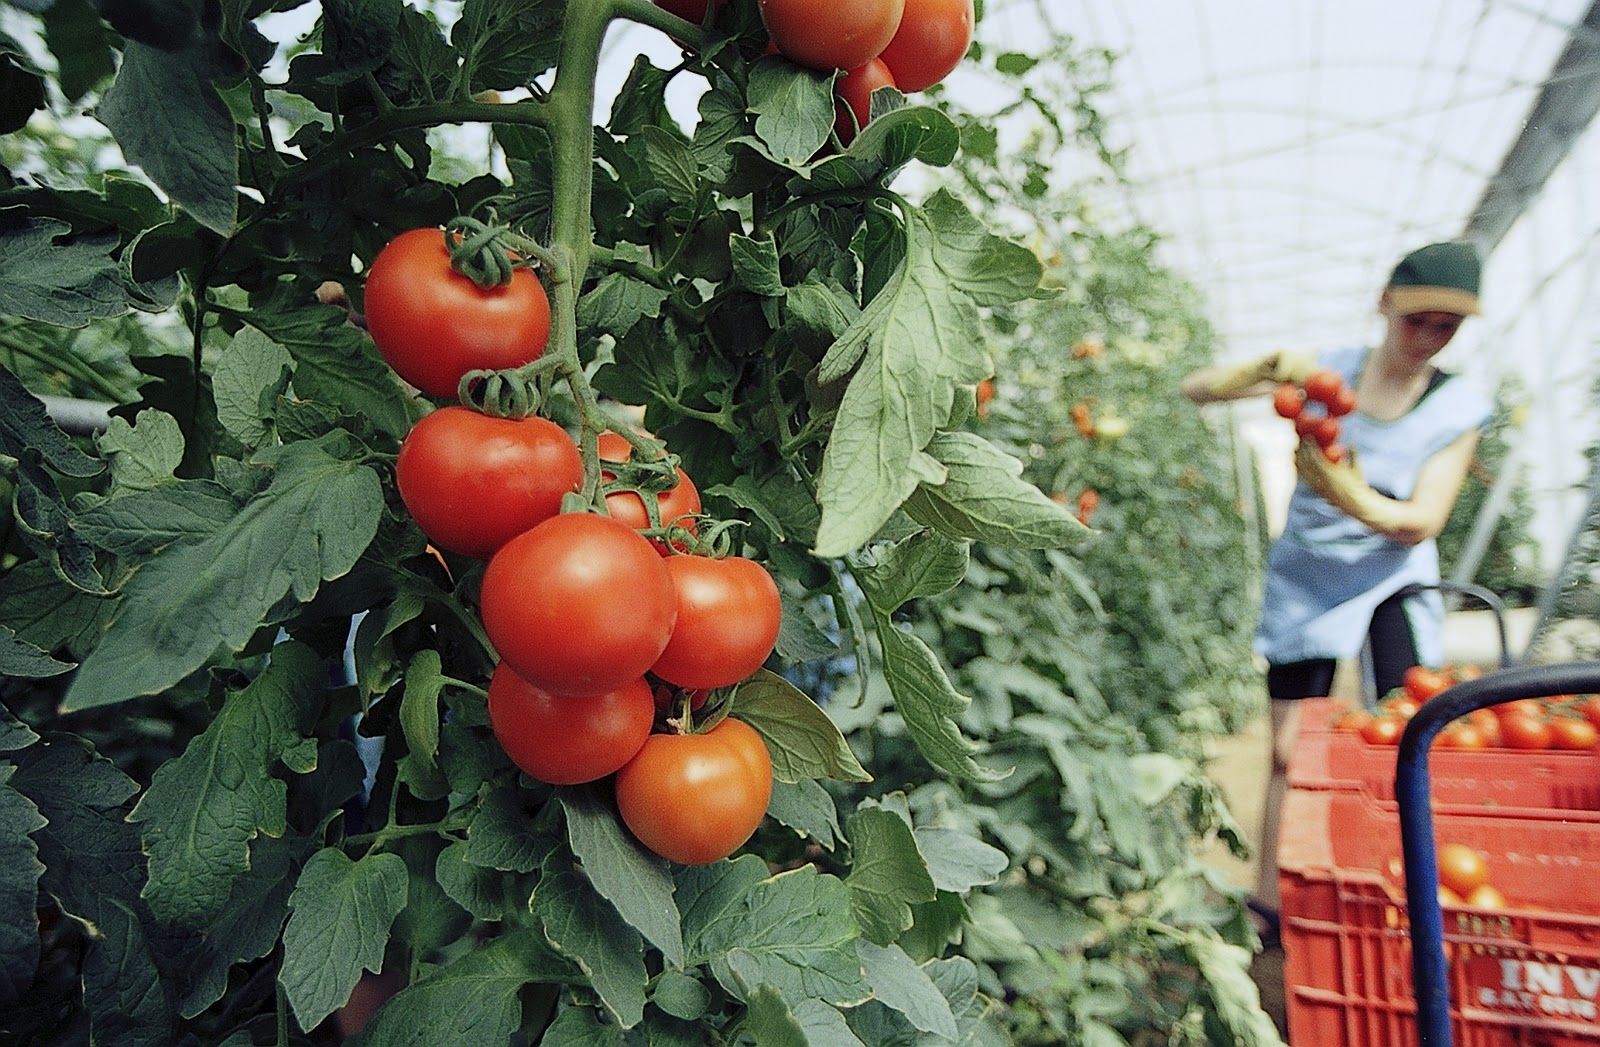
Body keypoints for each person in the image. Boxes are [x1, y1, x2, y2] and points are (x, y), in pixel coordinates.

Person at [1181, 240, 1493, 924]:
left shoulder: (1457, 406)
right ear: (1385, 304)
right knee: (1288, 750)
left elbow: (1421, 519)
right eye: (1418, 320)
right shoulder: (1330, 371)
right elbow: (1197, 389)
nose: (1429, 338)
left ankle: (1392, 898)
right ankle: (1268, 901)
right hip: (1308, 578)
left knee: (1405, 739)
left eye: (1448, 326)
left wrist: (1346, 489)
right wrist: (1260, 370)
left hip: (1392, 580)